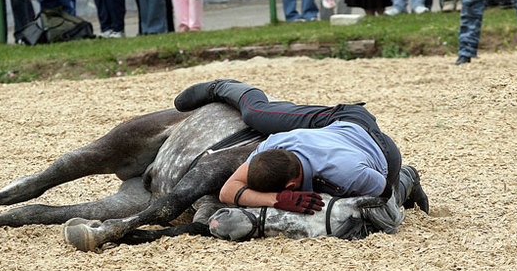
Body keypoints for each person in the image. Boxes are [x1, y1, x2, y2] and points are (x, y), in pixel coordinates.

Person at [172, 79, 428, 215]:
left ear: (291, 185)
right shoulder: (272, 146)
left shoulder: (349, 172)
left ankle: (221, 86)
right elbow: (229, 191)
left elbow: (381, 192)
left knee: (256, 115)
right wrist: (276, 200)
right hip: (328, 145)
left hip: (357, 130)